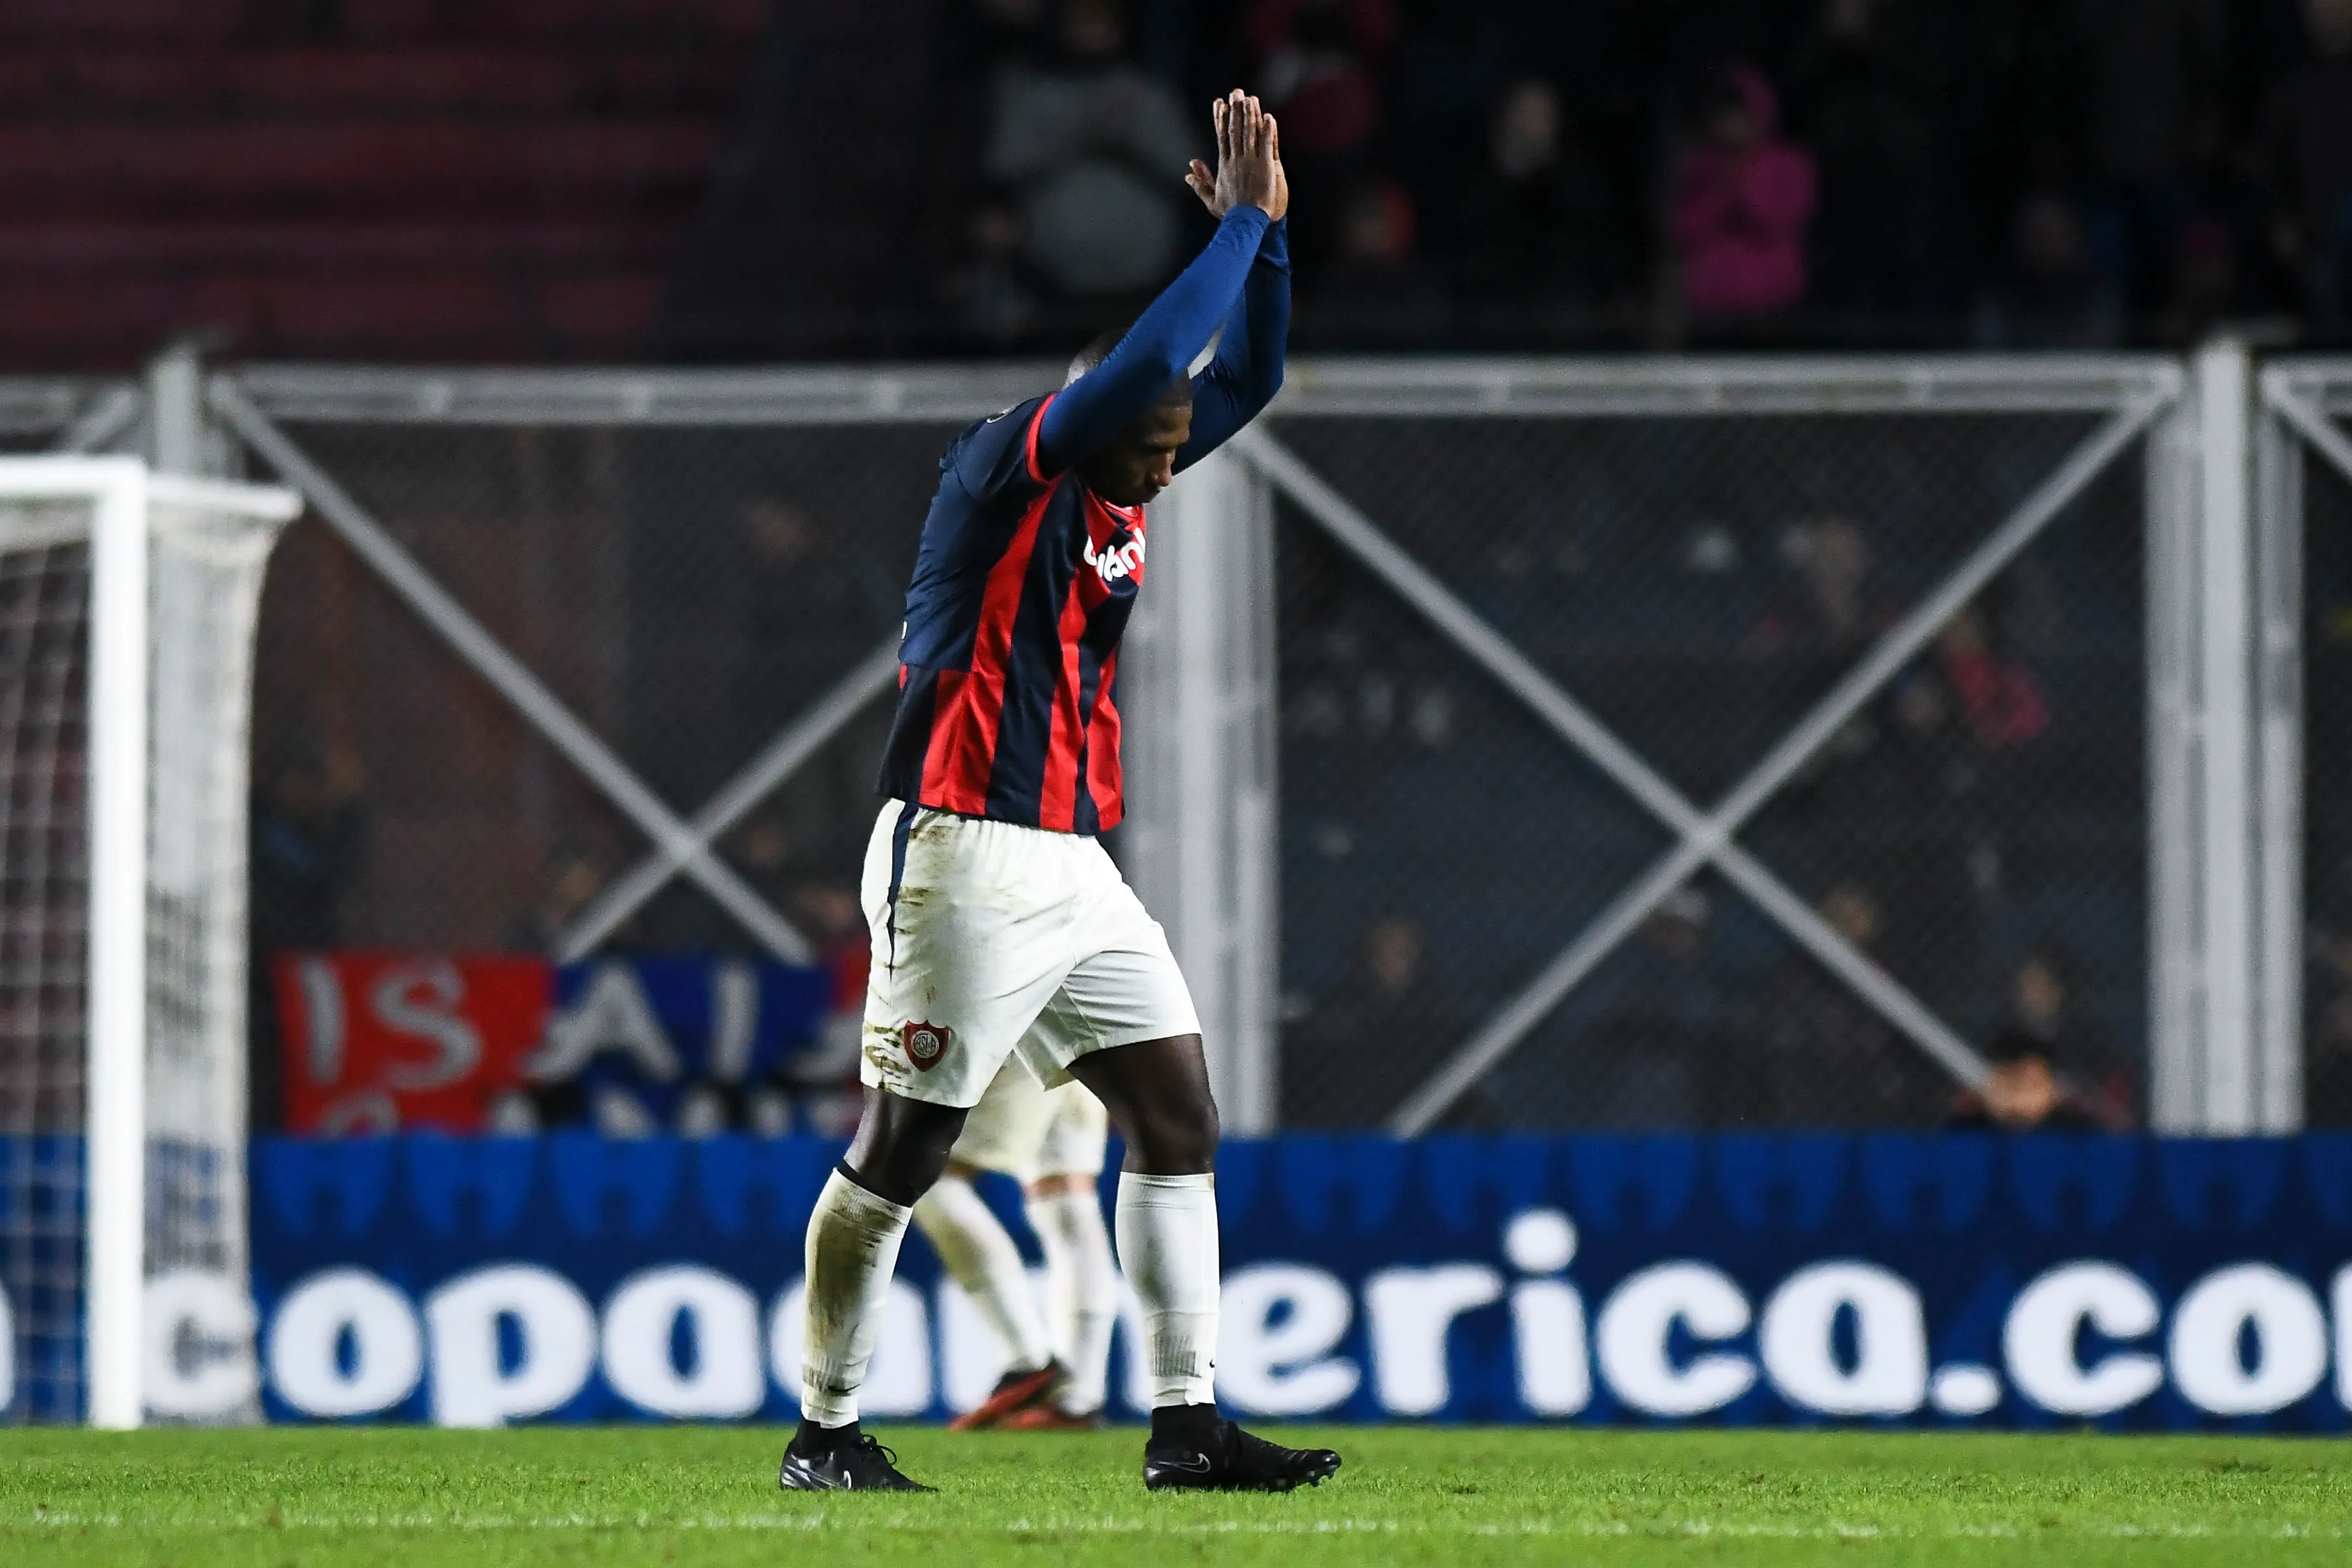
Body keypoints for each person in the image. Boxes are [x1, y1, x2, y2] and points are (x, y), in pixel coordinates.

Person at [780, 92, 1337, 1495]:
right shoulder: (1005, 462)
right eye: (1152, 433)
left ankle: (1184, 1421)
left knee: (1178, 1114)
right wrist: (1242, 225)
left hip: (1073, 863)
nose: (1171, 455)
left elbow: (1248, 378)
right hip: (960, 851)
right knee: (907, 1151)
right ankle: (826, 1431)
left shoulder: (1114, 484)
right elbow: (1160, 352)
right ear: (1095, 412)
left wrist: (1267, 248)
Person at [910, 1060, 1119, 1431]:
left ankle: (1027, 1360)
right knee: (1068, 1201)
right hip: (1089, 1028)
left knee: (929, 1174)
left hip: (1024, 1027)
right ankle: (1077, 1398)